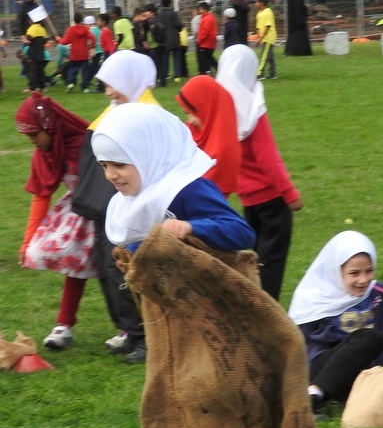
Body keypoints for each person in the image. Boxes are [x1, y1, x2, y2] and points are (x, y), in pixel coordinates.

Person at [288, 230, 383, 420]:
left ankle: (374, 392)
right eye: (354, 273)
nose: (363, 280)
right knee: (369, 337)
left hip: (367, 372)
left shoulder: (380, 294)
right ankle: (313, 396)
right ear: (336, 271)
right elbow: (297, 348)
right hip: (321, 369)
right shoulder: (313, 297)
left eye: (369, 271)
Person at [72, 50, 159, 364]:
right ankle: (129, 331)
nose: (108, 91)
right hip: (107, 206)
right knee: (108, 270)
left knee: (129, 271)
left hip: (132, 208)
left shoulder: (147, 114)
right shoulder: (118, 109)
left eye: (113, 84)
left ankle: (147, 338)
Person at [91, 103, 255, 252]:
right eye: (104, 165)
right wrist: (135, 255)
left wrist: (190, 227)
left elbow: (242, 232)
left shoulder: (189, 189)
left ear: (149, 157)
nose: (110, 175)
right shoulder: (134, 197)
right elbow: (149, 235)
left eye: (120, 165)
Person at [216, 45, 303, 301]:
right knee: (271, 262)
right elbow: (268, 157)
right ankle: (268, 315)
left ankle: (253, 308)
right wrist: (290, 193)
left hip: (248, 200)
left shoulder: (223, 110)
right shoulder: (253, 109)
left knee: (253, 260)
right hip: (272, 200)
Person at [15, 93, 95, 350]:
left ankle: (130, 328)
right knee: (74, 263)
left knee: (114, 267)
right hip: (78, 208)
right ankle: (64, 325)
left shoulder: (86, 144)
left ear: (49, 126)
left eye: (34, 135)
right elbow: (41, 196)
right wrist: (27, 243)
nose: (32, 142)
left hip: (105, 208)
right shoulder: (46, 152)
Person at [175, 75, 241, 197]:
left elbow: (197, 194)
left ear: (207, 109)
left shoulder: (222, 151)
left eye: (192, 113)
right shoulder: (194, 131)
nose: (190, 120)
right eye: (186, 113)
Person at [60, 13, 96, 94]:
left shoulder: (70, 29)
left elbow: (66, 41)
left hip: (74, 54)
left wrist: (59, 40)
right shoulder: (85, 29)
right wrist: (91, 47)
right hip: (84, 53)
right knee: (85, 71)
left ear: (74, 20)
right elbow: (92, 38)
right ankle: (85, 87)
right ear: (81, 20)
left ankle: (71, 82)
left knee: (72, 69)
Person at [255, 0, 278, 79]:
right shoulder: (259, 13)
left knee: (264, 55)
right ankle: (273, 74)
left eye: (257, 2)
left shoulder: (268, 12)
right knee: (270, 56)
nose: (256, 4)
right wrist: (258, 38)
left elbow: (268, 26)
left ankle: (259, 73)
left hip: (268, 37)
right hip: (263, 38)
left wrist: (261, 38)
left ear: (262, 3)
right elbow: (258, 27)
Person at [195, 1, 218, 75]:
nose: (199, 11)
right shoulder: (209, 17)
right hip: (209, 42)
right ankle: (211, 71)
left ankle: (206, 72)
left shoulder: (206, 18)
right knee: (209, 58)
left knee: (205, 60)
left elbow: (205, 31)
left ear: (205, 9)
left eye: (201, 9)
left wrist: (199, 39)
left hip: (205, 43)